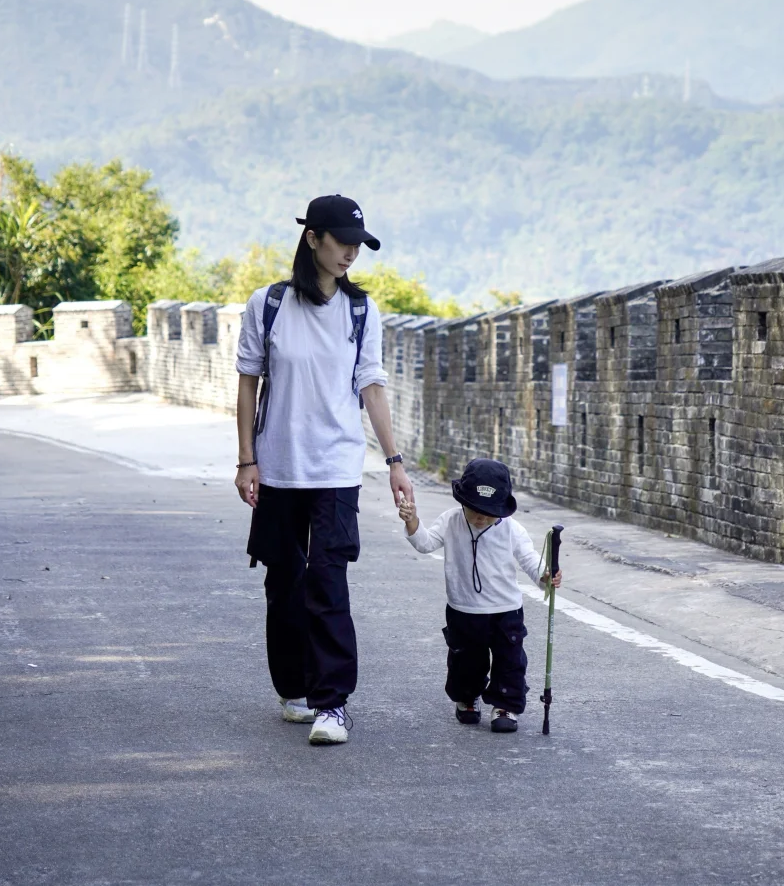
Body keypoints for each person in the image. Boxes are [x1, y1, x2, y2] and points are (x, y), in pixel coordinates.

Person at [234, 194, 414, 746]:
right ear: (311, 238)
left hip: (336, 469)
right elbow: (247, 384)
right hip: (279, 467)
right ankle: (293, 688)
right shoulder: (266, 305)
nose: (351, 253)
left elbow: (372, 387)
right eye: (341, 242)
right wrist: (246, 459)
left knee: (328, 582)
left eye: (358, 244)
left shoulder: (361, 311)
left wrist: (395, 461)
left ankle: (332, 704)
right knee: (283, 582)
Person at [398, 457, 561, 733]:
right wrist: (413, 521)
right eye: (475, 509)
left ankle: (504, 705)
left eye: (489, 511)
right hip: (464, 610)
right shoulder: (451, 521)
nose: (481, 516)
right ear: (462, 500)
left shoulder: (512, 530)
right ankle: (467, 699)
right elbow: (425, 543)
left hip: (506, 610)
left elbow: (531, 562)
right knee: (465, 662)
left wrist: (546, 576)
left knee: (509, 661)